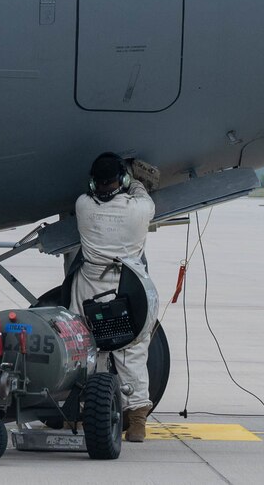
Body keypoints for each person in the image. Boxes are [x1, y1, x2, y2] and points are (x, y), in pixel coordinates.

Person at [73, 152, 158, 441]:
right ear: (120, 180)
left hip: (91, 289)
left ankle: (92, 414)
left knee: (88, 349)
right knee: (132, 351)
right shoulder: (141, 209)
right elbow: (141, 193)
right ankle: (136, 421)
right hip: (128, 288)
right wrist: (133, 179)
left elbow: (90, 196)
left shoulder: (83, 206)